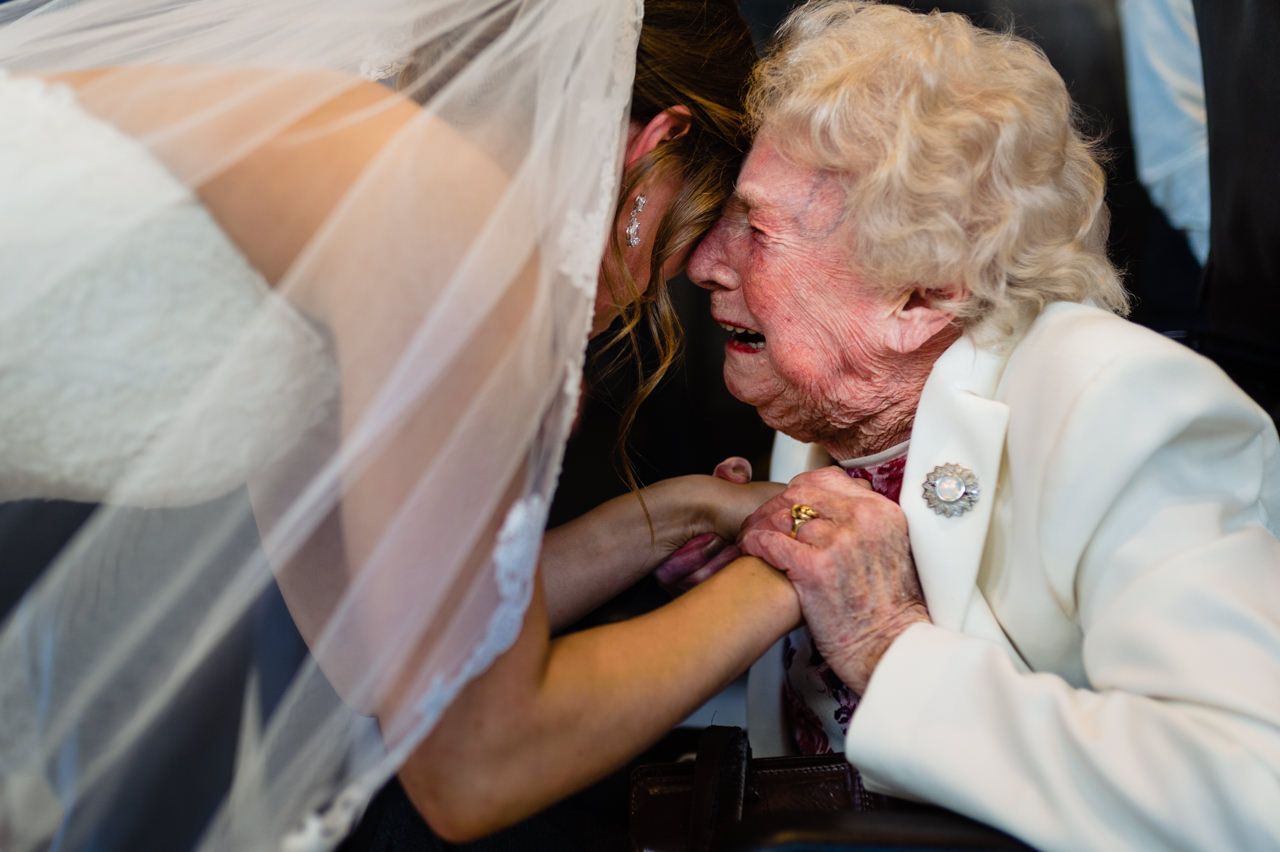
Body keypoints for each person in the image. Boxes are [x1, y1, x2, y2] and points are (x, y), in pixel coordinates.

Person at [0, 1, 801, 849]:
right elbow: (473, 765)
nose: (647, 292)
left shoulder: (368, 192)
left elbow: (370, 645)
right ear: (656, 144)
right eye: (676, 243)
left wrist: (680, 511)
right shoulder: (448, 230)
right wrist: (799, 567)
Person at [681, 2, 1280, 849]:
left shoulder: (1122, 406)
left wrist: (887, 646)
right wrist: (740, 623)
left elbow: (1248, 789)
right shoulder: (827, 412)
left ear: (924, 295)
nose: (706, 263)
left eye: (760, 232)